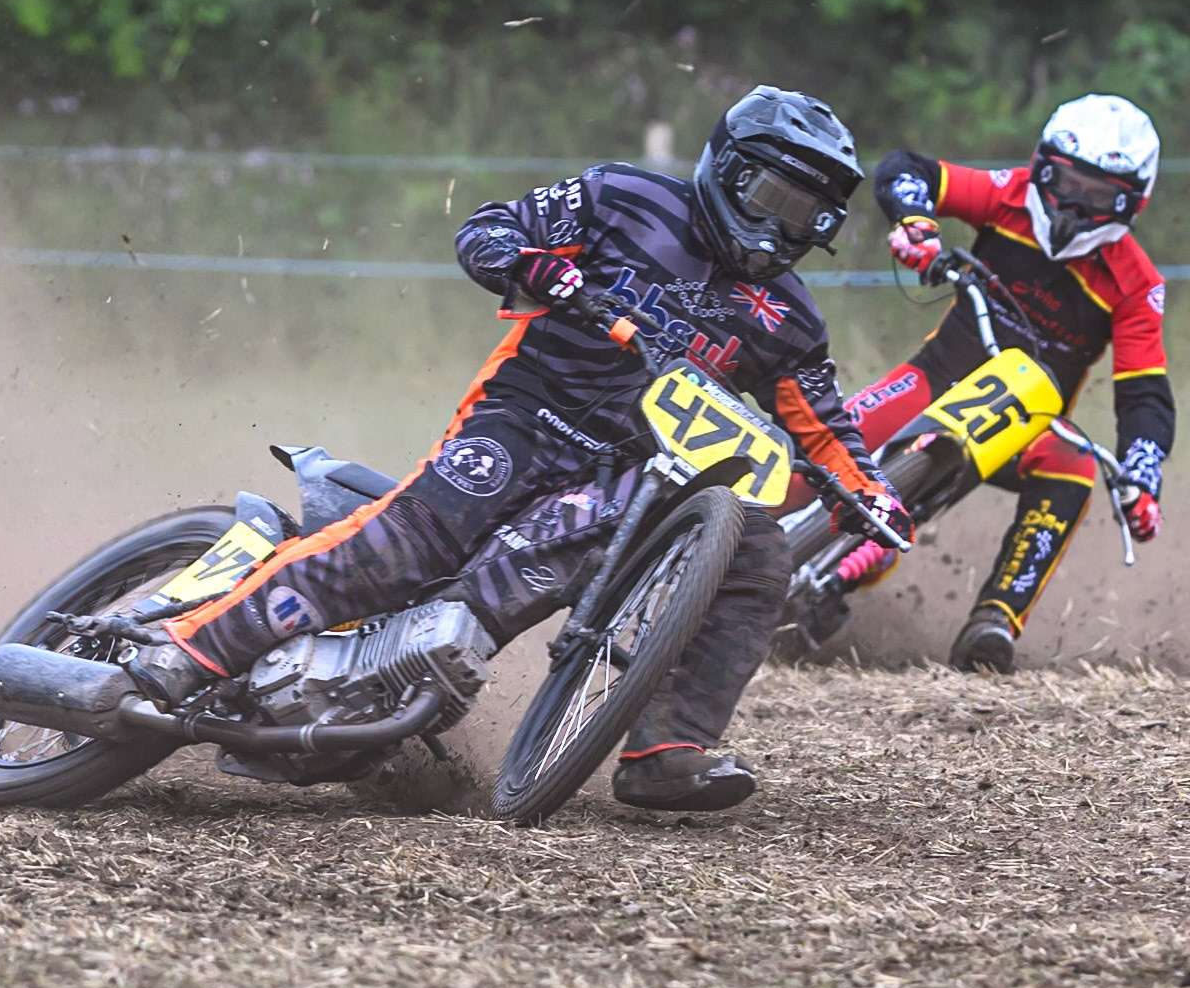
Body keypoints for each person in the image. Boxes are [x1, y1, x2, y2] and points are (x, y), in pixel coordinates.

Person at [137, 86, 911, 812]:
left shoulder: (792, 319)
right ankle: (191, 648)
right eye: (777, 199)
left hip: (634, 472)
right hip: (525, 416)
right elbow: (488, 230)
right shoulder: (623, 197)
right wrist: (534, 264)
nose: (784, 226)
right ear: (731, 170)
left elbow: (824, 426)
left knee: (758, 554)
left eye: (809, 215)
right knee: (410, 546)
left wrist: (871, 492)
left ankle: (667, 752)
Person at [840, 93, 1172, 672]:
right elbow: (907, 168)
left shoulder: (1136, 282)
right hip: (934, 378)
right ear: (1041, 167)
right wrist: (916, 220)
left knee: (1075, 465)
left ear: (1130, 203)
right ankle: (719, 549)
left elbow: (1144, 392)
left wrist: (1143, 473)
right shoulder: (1009, 194)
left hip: (1023, 426)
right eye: (1063, 182)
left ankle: (994, 620)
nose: (1071, 204)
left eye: (1097, 196)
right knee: (827, 436)